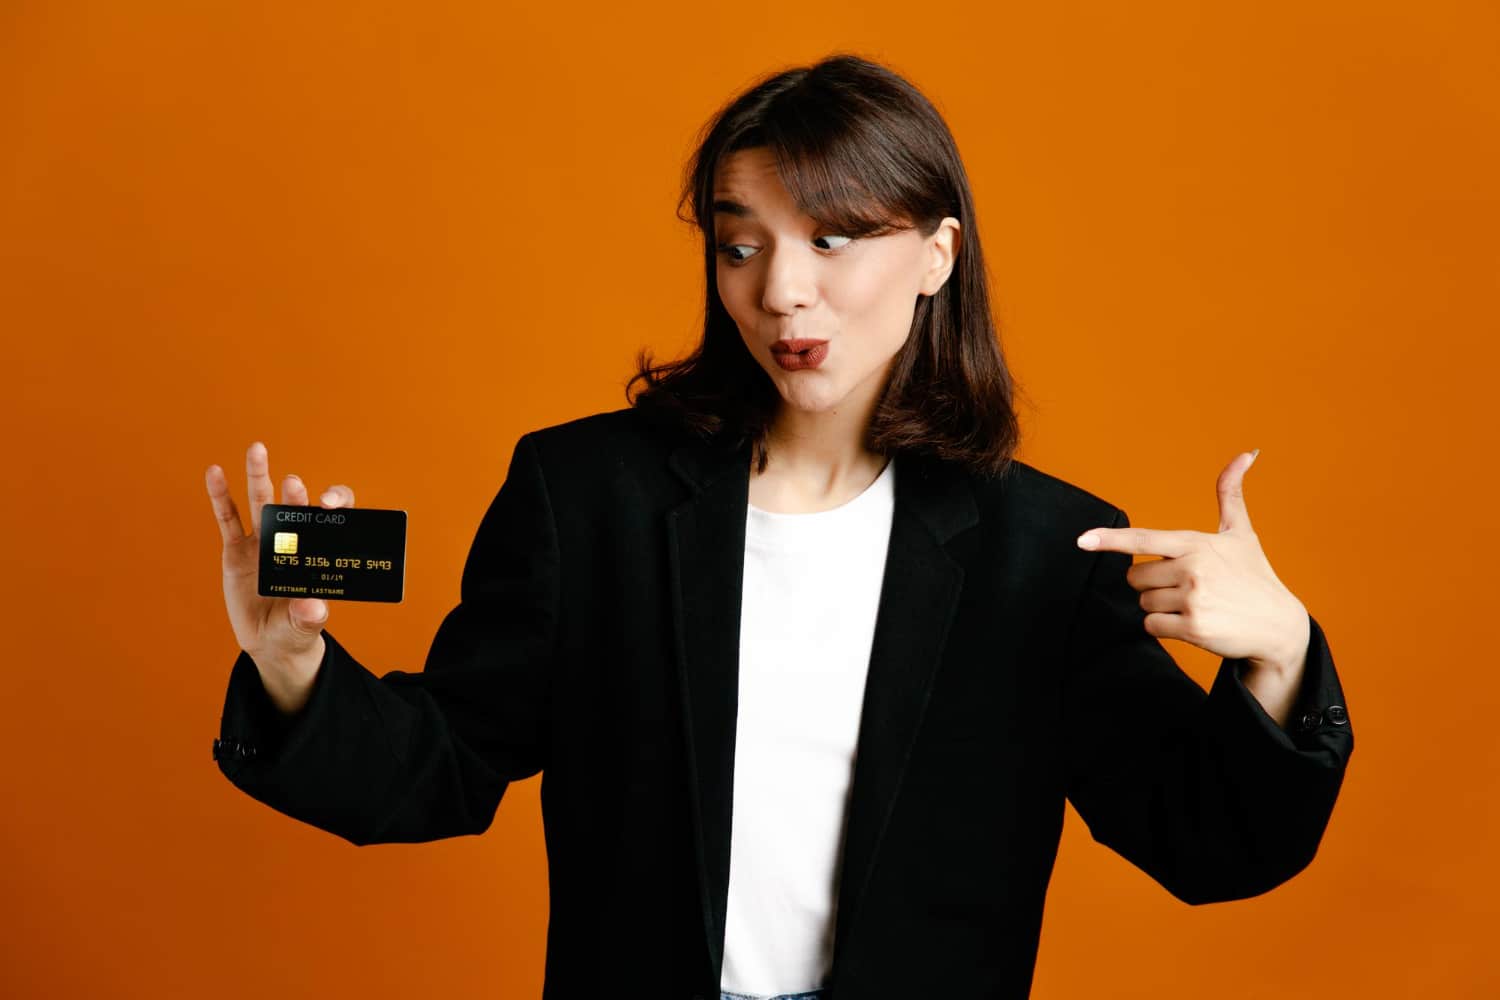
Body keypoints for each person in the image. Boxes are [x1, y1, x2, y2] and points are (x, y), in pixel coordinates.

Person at [203, 53, 1354, 1000]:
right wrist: (294, 666)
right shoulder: (588, 495)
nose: (782, 291)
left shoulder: (1040, 556)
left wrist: (1283, 651)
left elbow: (1211, 844)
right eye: (741, 243)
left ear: (937, 256)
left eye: (834, 239)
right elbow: (442, 766)